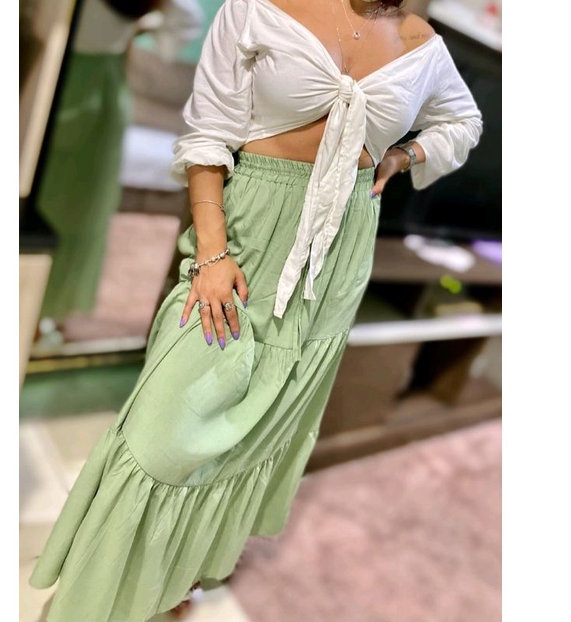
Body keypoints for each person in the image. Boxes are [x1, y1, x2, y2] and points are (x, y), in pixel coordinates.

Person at [29, 0, 483, 619]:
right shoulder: (259, 8)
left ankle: (172, 583)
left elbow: (464, 120)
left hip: (339, 251)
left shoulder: (419, 39)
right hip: (247, 232)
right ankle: (95, 600)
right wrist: (212, 253)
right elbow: (208, 133)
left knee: (255, 436)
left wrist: (405, 155)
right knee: (162, 434)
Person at [34, 0, 202, 345]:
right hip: (69, 75)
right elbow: (183, 21)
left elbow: (185, 18)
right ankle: (40, 312)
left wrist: (136, 25)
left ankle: (39, 313)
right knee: (66, 207)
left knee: (76, 209)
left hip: (87, 80)